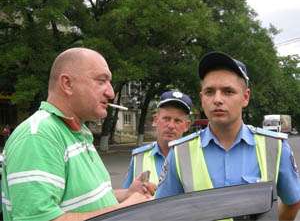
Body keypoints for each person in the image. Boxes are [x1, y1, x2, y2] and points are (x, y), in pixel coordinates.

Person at [1, 48, 154, 221]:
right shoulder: (38, 136)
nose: (111, 93)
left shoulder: (77, 132)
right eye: (101, 81)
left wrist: (127, 194)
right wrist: (127, 208)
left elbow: (85, 200)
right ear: (67, 84)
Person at [155, 51, 300, 220]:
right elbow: (162, 212)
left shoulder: (274, 147)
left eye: (228, 92)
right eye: (209, 92)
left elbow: (293, 201)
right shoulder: (180, 153)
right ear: (202, 98)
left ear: (245, 97)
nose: (217, 99)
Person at [122, 90, 192, 188]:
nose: (171, 126)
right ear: (155, 120)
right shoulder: (139, 157)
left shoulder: (195, 155)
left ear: (186, 126)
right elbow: (127, 195)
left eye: (177, 121)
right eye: (166, 119)